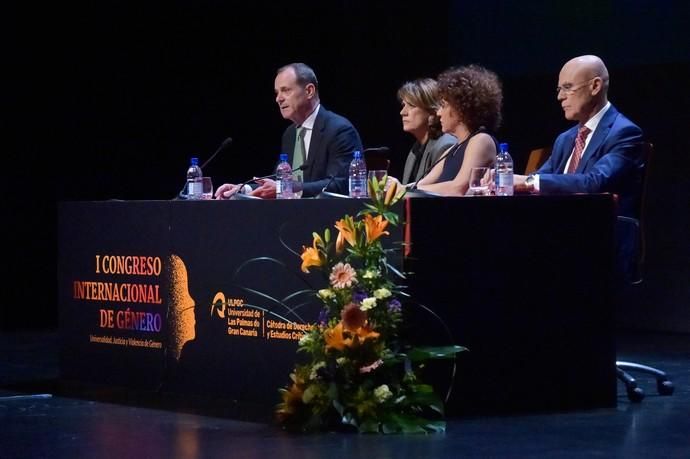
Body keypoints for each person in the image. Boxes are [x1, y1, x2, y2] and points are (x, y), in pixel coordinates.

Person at [513, 55, 644, 219]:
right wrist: (510, 182)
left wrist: (526, 183)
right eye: (559, 89)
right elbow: (540, 179)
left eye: (567, 87)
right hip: (560, 224)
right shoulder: (565, 139)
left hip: (601, 228)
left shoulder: (624, 133)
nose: (560, 97)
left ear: (595, 86)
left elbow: (595, 183)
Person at [215, 63, 363, 199]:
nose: (278, 99)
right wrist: (243, 189)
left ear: (309, 91)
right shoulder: (290, 134)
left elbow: (341, 185)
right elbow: (279, 182)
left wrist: (290, 188)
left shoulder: (339, 130)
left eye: (285, 90)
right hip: (291, 217)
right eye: (277, 92)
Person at [412, 64, 503, 196]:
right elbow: (420, 185)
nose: (438, 113)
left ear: (460, 109)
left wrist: (403, 190)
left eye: (443, 106)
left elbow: (459, 188)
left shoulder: (481, 140)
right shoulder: (453, 149)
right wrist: (396, 187)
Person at [398, 78, 457, 185]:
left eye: (411, 105)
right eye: (403, 105)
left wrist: (399, 189)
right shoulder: (415, 149)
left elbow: (437, 193)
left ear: (432, 111)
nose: (403, 112)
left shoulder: (445, 145)